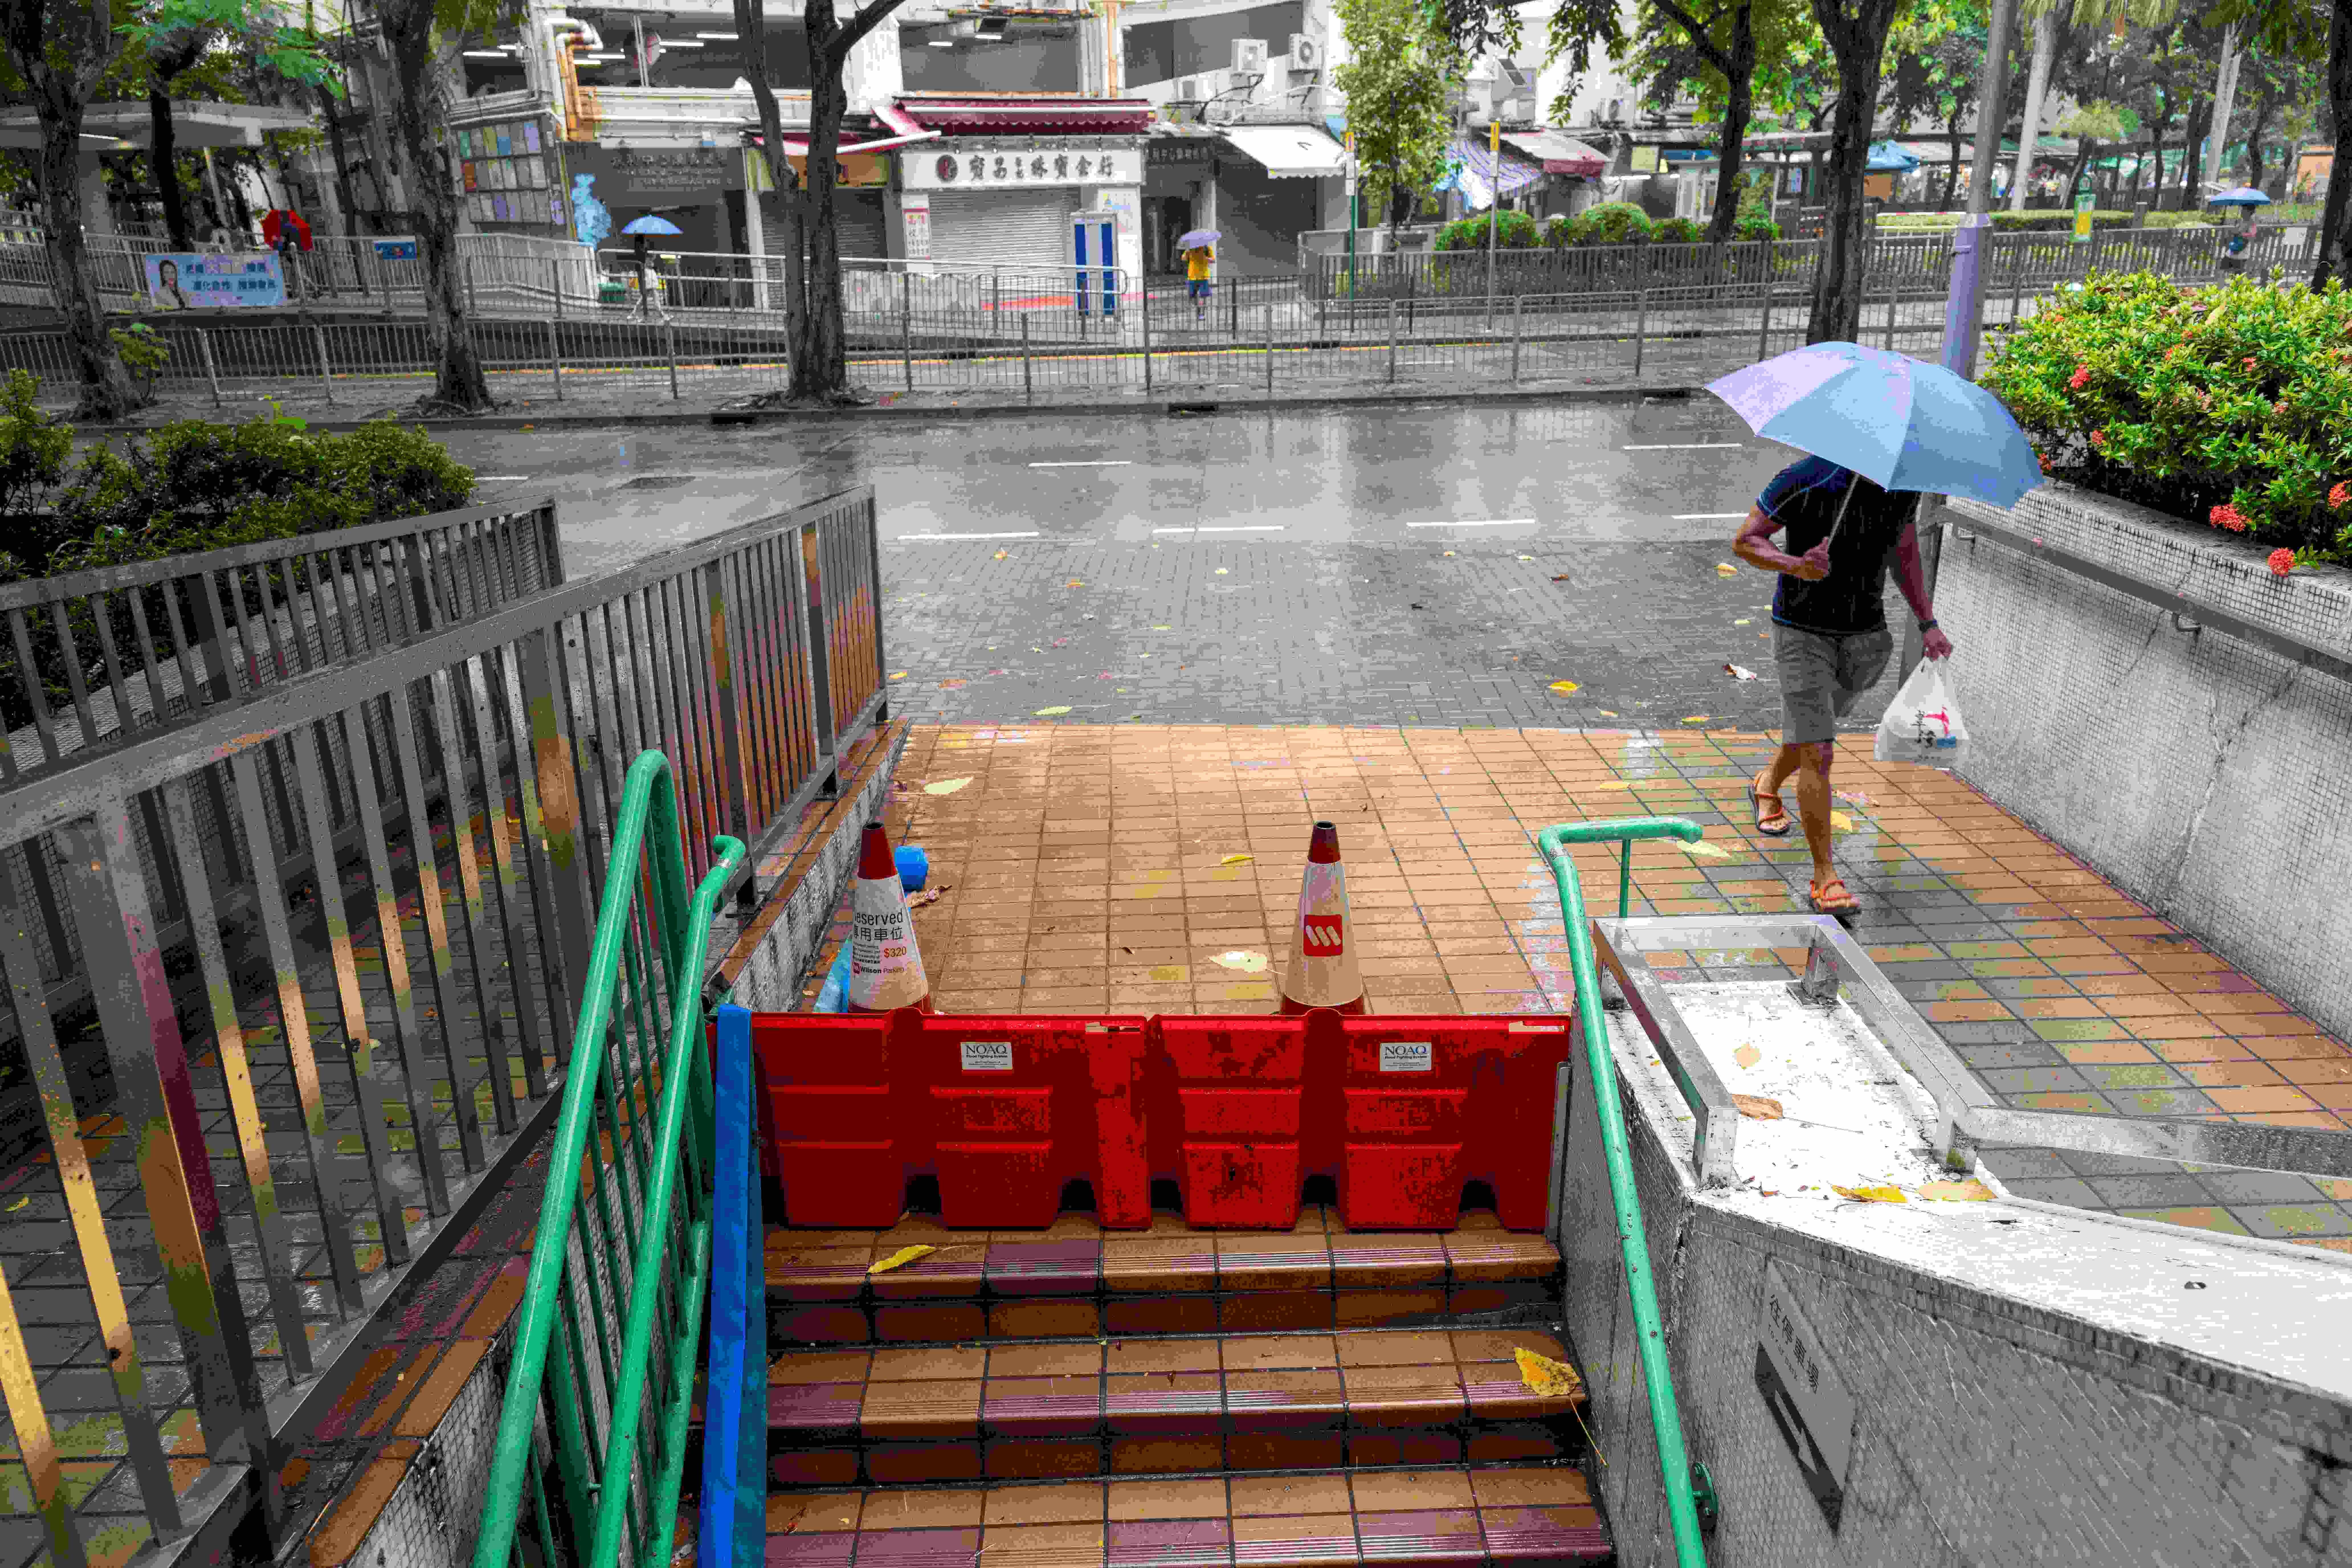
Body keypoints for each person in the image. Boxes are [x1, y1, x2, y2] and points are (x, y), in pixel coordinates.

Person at [1733, 457, 1954, 919]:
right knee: (1819, 749)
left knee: (1813, 731)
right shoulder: (1804, 478)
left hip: (1867, 639)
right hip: (1801, 632)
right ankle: (1825, 877)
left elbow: (1904, 549)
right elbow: (1746, 540)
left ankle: (1767, 783)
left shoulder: (1903, 485)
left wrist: (1927, 621)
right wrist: (1796, 565)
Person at [1184, 240, 1213, 324]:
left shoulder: (1207, 249)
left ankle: (1202, 314)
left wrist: (1206, 258)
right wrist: (1187, 254)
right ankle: (1199, 310)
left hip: (1204, 276)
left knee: (1203, 296)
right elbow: (1184, 259)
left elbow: (1213, 260)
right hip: (1192, 277)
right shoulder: (1191, 249)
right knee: (1193, 297)